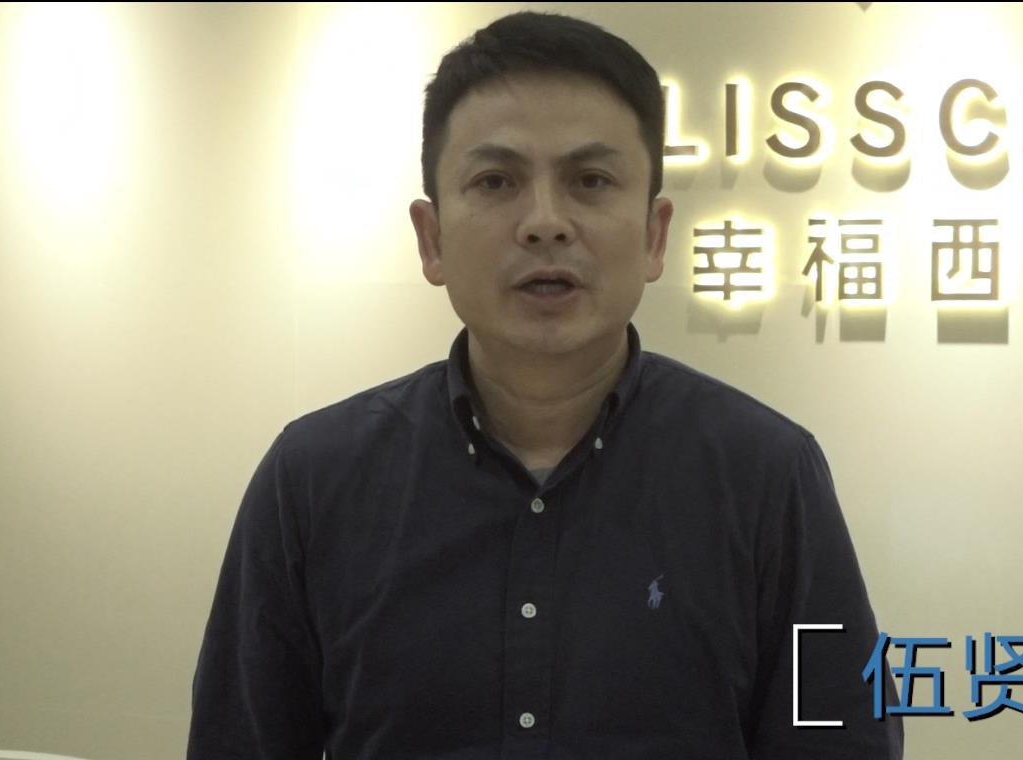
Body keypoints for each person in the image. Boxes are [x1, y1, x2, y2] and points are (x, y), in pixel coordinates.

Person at [188, 10, 901, 759]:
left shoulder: (768, 477)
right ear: (431, 239)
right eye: (496, 181)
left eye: (590, 181)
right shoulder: (311, 482)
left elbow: (841, 738)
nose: (545, 223)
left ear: (654, 235)